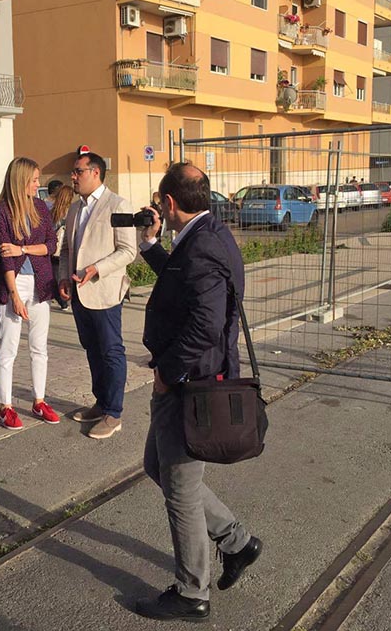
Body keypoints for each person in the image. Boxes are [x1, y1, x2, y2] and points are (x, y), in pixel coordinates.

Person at [135, 163, 261, 621]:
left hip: (191, 384)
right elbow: (182, 282)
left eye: (160, 205)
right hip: (191, 379)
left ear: (169, 203)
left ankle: (193, 593)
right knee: (159, 466)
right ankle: (236, 541)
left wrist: (168, 372)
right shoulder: (208, 233)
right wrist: (150, 246)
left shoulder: (203, 245)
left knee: (181, 490)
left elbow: (206, 324)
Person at [57, 152, 137, 439]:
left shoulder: (118, 205)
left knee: (111, 350)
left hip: (104, 292)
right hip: (79, 292)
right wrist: (64, 277)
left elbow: (128, 251)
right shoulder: (74, 208)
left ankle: (114, 413)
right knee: (92, 349)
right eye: (73, 172)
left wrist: (97, 269)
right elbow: (67, 248)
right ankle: (101, 402)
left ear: (95, 173)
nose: (73, 177)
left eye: (78, 171)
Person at [0, 158, 59, 430]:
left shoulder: (41, 207)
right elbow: (5, 255)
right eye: (33, 180)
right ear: (20, 181)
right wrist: (14, 296)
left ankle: (39, 400)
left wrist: (24, 249)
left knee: (39, 347)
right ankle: (5, 406)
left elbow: (51, 245)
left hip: (41, 284)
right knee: (8, 349)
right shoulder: (1, 212)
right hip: (13, 284)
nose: (38, 184)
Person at [50, 185, 75, 310]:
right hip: (65, 248)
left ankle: (62, 301)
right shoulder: (72, 211)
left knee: (54, 275)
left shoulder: (52, 211)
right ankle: (66, 299)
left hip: (53, 249)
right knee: (64, 274)